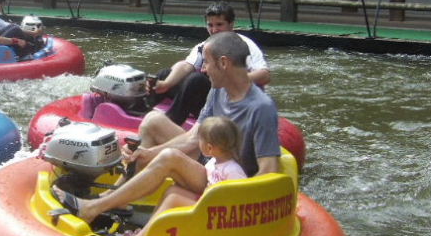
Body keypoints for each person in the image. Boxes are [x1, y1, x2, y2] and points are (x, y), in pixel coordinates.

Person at [53, 32, 281, 226]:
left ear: (224, 63)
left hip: (229, 183)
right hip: (212, 163)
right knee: (153, 120)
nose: (204, 70)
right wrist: (148, 153)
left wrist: (227, 200)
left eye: (208, 63)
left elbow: (269, 171)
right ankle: (118, 197)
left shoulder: (261, 108)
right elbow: (194, 138)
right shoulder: (218, 91)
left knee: (170, 157)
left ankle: (93, 208)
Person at [121, 116, 247, 236]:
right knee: (172, 190)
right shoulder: (213, 162)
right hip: (206, 204)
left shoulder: (233, 170)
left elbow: (241, 197)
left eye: (200, 140)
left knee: (174, 198)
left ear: (209, 148)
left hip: (215, 214)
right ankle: (148, 231)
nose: (198, 143)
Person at [149, 2, 270, 125]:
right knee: (165, 74)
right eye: (210, 25)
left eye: (219, 25)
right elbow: (187, 65)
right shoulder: (205, 45)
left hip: (228, 103)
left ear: (231, 24)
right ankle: (141, 110)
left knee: (196, 79)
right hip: (207, 98)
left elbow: (264, 75)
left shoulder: (244, 45)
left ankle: (172, 121)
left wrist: (230, 78)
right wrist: (166, 84)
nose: (214, 30)